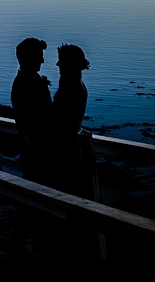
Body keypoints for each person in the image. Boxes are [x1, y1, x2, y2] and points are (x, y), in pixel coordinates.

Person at [10, 37, 53, 184]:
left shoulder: (32, 79)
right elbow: (26, 119)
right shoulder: (22, 84)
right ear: (29, 58)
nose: (42, 61)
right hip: (35, 150)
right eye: (39, 56)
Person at [52, 43, 93, 198]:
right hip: (67, 145)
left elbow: (63, 120)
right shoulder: (72, 85)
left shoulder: (72, 88)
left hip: (66, 148)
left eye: (61, 61)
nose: (58, 65)